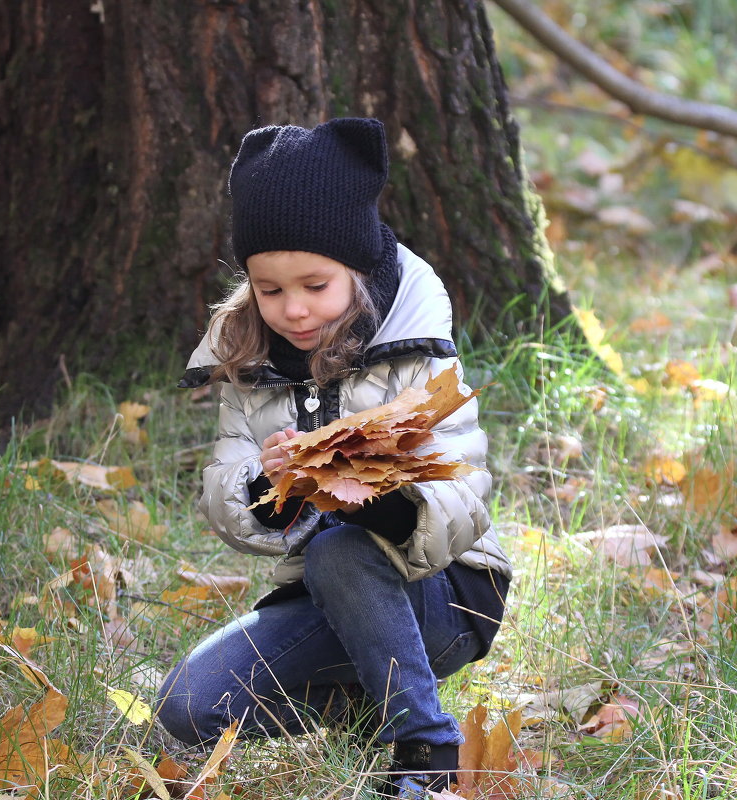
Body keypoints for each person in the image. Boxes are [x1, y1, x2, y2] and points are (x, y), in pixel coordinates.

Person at [156, 117, 512, 798]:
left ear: (357, 266)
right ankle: (380, 707)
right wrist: (271, 484)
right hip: (328, 602)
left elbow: (466, 498)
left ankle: (426, 753)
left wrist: (378, 494)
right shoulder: (248, 357)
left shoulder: (417, 348)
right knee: (189, 705)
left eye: (314, 286)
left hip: (447, 597)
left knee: (341, 549)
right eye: (270, 289)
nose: (292, 309)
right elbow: (228, 494)